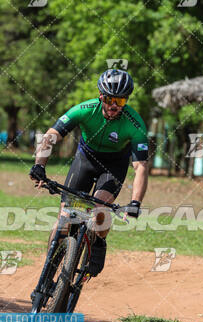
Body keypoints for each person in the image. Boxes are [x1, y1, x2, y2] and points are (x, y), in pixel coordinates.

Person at [29, 69, 149, 276]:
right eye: (110, 99)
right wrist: (40, 165)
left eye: (120, 102)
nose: (114, 106)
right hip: (85, 159)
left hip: (113, 166)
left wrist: (136, 202)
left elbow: (141, 167)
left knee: (99, 211)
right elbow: (51, 135)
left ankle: (98, 242)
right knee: (65, 218)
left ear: (126, 101)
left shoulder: (135, 123)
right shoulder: (85, 109)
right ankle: (47, 271)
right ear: (101, 96)